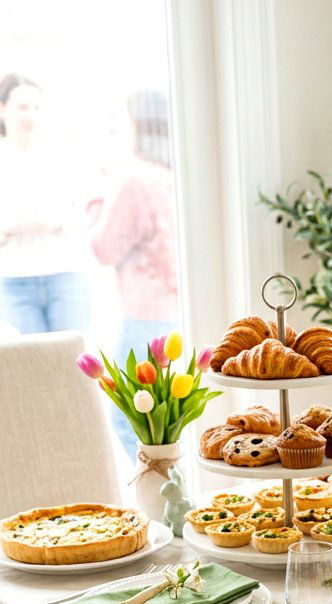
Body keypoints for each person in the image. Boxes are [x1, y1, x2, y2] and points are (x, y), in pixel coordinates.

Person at [87, 89, 180, 455]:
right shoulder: (172, 174)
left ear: (136, 125)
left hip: (144, 317)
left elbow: (104, 248)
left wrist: (97, 197)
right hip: (172, 312)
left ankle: (161, 503)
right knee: (167, 419)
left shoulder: (133, 179)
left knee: (130, 421)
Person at [0, 73, 92, 334]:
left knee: (71, 364)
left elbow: (86, 216)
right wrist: (8, 228)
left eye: (36, 107)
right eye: (22, 107)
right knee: (27, 364)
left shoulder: (63, 156)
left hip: (66, 277)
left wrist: (58, 221)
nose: (30, 115)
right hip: (13, 281)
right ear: (3, 109)